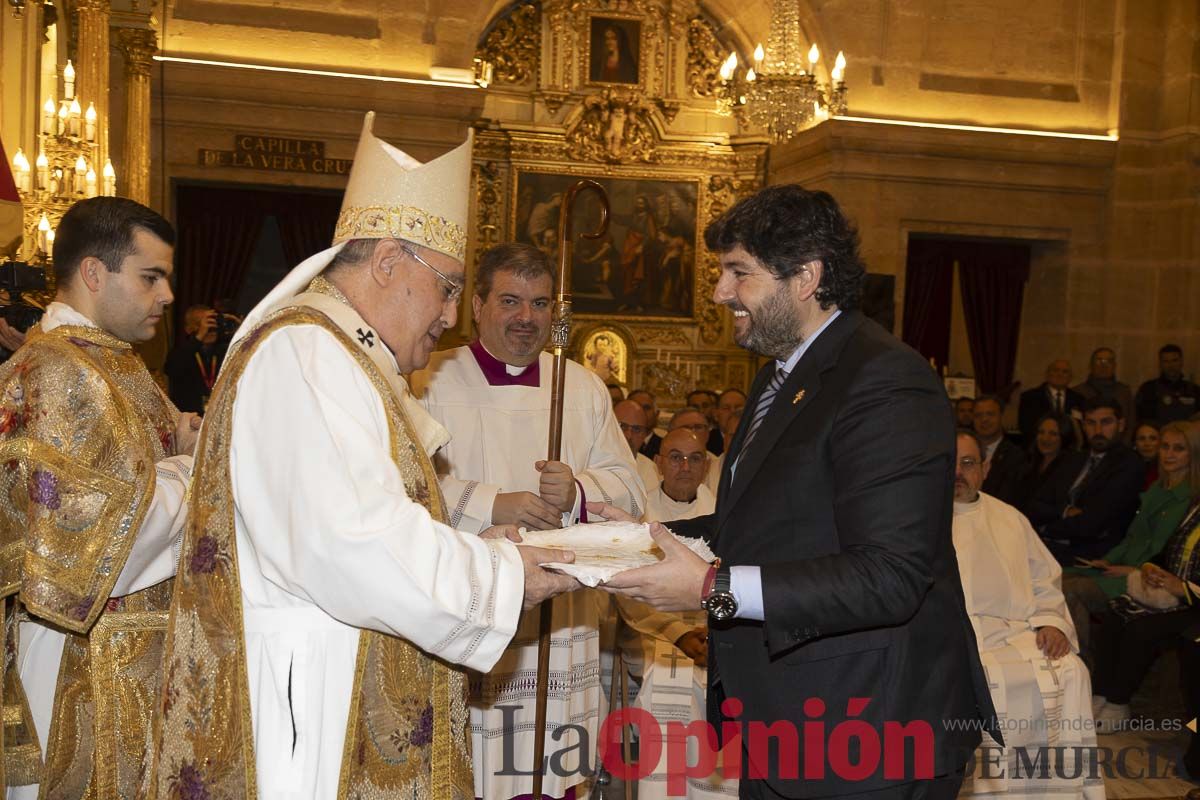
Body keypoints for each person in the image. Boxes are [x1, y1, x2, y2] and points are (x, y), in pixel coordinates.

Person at [148, 113, 578, 799]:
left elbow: (365, 513)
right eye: (446, 287)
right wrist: (500, 574)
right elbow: (349, 541)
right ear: (386, 262)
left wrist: (479, 546)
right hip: (310, 700)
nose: (450, 316)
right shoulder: (307, 352)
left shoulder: (340, 355)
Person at [593, 184, 995, 798]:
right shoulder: (781, 374)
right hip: (785, 717)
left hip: (869, 731)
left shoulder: (885, 380)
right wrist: (635, 536)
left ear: (806, 277)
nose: (721, 292)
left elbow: (891, 575)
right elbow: (758, 525)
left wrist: (710, 588)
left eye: (739, 273)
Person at [411, 241, 644, 800]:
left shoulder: (582, 386)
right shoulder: (431, 380)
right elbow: (401, 489)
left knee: (555, 768)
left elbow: (631, 490)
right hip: (472, 604)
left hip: (562, 617)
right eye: (511, 301)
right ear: (477, 304)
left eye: (540, 305)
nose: (526, 318)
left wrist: (580, 491)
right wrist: (492, 504)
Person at [0, 197, 200, 799]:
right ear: (93, 273)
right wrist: (197, 467)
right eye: (151, 276)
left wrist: (182, 441)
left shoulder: (112, 363)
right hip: (84, 663)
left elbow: (145, 458)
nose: (167, 295)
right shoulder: (61, 371)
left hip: (132, 653)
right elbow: (111, 539)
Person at [950, 430, 1102, 800]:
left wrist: (1051, 621)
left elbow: (1044, 578)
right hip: (956, 635)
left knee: (1072, 671)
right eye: (947, 463)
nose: (958, 472)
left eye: (968, 463)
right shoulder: (918, 521)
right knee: (999, 681)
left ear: (984, 468)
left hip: (1016, 630)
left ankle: (1064, 792)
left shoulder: (1009, 518)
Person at [1061, 420, 1199, 654]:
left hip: (1150, 577)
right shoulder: (1158, 487)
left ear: (1194, 453)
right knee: (1059, 578)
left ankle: (1081, 664)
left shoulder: (1189, 498)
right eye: (1165, 447)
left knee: (1071, 591)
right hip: (1126, 566)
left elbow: (1165, 551)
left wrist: (1132, 570)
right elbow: (1132, 537)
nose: (1169, 454)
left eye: (1179, 448)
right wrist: (1109, 560)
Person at [1091, 497, 1200, 731]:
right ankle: (1099, 695)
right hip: (1174, 595)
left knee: (1142, 628)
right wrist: (1151, 567)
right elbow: (1170, 551)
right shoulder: (1195, 509)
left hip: (1194, 606)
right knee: (1117, 613)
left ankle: (1118, 703)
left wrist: (1185, 588)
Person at [1026, 397, 1145, 564]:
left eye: (1106, 422)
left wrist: (1045, 528)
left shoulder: (1129, 464)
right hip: (1048, 547)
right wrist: (1065, 511)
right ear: (1083, 426)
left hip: (1090, 556)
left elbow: (1092, 524)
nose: (1098, 430)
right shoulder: (1072, 459)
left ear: (1121, 425)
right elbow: (1034, 505)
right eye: (1090, 423)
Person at [163, 303, 234, 413]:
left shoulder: (224, 351)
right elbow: (172, 369)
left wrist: (240, 330)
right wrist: (199, 337)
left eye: (211, 322)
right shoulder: (181, 352)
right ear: (188, 329)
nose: (209, 327)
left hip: (217, 416)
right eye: (199, 323)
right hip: (188, 419)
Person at [1015, 413, 1077, 514]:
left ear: (1065, 437)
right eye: (1041, 432)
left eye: (1053, 434)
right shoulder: (1028, 461)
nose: (1045, 438)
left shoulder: (1071, 465)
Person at [975, 394, 1028, 505]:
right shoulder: (962, 450)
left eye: (990, 414)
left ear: (1002, 416)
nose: (984, 420)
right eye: (978, 415)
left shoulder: (1016, 457)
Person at [1017, 359, 1085, 442]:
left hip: (1069, 449)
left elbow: (1082, 427)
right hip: (1039, 445)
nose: (1060, 374)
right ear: (1047, 374)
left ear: (1070, 378)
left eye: (1065, 372)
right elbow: (1025, 427)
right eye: (1055, 370)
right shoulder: (1029, 397)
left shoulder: (1079, 399)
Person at [1074, 347, 1134, 439]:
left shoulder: (1124, 392)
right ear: (1090, 365)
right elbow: (1075, 426)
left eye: (1108, 361)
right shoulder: (1078, 392)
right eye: (1099, 360)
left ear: (1114, 366)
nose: (1104, 365)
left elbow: (1131, 424)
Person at [1136, 344, 1200, 425]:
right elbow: (1141, 419)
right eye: (1166, 361)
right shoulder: (1148, 389)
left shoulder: (1195, 390)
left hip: (1188, 436)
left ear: (1181, 362)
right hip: (1159, 436)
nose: (1171, 365)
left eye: (1174, 360)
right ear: (1160, 364)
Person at [616, 397, 661, 493]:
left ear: (644, 435)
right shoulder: (589, 462)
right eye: (622, 426)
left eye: (637, 429)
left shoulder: (650, 470)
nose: (628, 435)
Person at [687, 389, 724, 455]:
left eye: (705, 406)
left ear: (713, 408)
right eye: (695, 407)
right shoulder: (684, 434)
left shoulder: (721, 436)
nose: (701, 410)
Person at [629, 388, 663, 458]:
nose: (641, 412)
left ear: (656, 414)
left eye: (646, 408)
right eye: (636, 407)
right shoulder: (617, 443)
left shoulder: (664, 445)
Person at [1133, 421, 1161, 488]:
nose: (1147, 444)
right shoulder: (1127, 468)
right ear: (1135, 444)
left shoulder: (1169, 469)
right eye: (1142, 439)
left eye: (1153, 439)